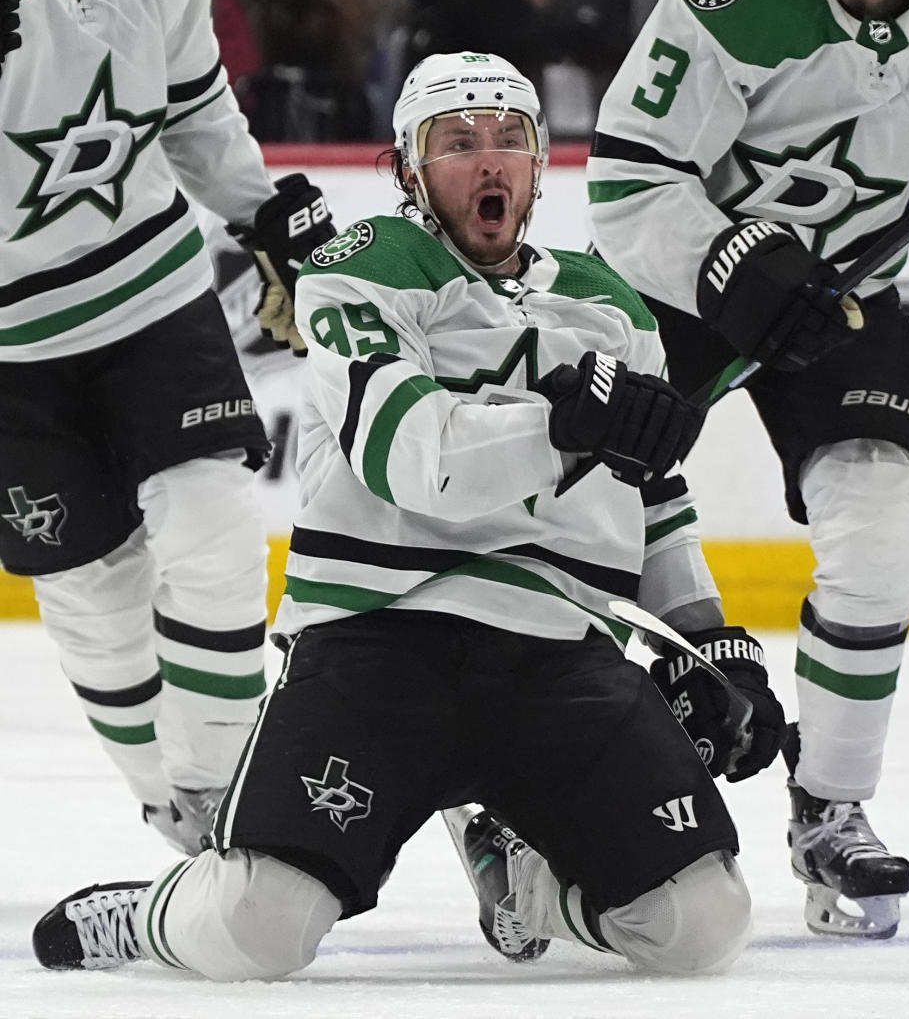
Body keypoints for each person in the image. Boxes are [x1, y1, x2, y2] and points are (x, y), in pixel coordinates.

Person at [31, 52, 786, 981]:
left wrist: (704, 641)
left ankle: (529, 884)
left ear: (541, 165)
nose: (489, 161)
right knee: (263, 926)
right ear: (408, 170)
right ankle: (150, 914)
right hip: (379, 648)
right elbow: (412, 458)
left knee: (703, 924)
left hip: (560, 656)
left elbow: (654, 495)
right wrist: (566, 424)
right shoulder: (362, 268)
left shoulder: (607, 300)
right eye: (457, 143)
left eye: (511, 139)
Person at [585, 0, 909, 938]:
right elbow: (625, 180)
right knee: (580, 513)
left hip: (847, 295)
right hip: (678, 282)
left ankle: (830, 803)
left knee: (880, 524)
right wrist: (732, 261)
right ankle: (524, 773)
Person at [0, 0, 336, 855]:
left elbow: (192, 104)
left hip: (154, 292)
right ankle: (176, 814)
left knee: (214, 529)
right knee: (91, 594)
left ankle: (228, 802)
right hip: (9, 348)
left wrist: (261, 209)